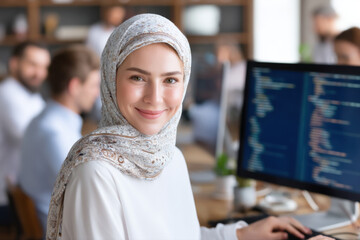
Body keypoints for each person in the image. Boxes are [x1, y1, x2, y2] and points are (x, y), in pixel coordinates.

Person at [46, 14, 333, 240]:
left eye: (170, 80)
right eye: (137, 78)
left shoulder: (171, 157)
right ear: (110, 79)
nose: (154, 97)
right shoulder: (96, 174)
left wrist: (240, 234)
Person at [18, 45, 100, 232]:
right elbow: (86, 196)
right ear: (74, 86)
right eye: (94, 85)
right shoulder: (56, 134)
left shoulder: (41, 121)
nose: (97, 94)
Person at [0, 41, 50, 225]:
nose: (40, 73)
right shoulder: (6, 94)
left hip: (24, 192)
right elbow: (31, 141)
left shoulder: (31, 94)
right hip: (8, 200)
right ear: (14, 63)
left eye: (44, 67)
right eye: (33, 65)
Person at [86, 5, 126, 123]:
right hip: (97, 74)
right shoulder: (94, 31)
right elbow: (88, 54)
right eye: (115, 14)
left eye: (119, 15)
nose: (117, 17)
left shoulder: (119, 31)